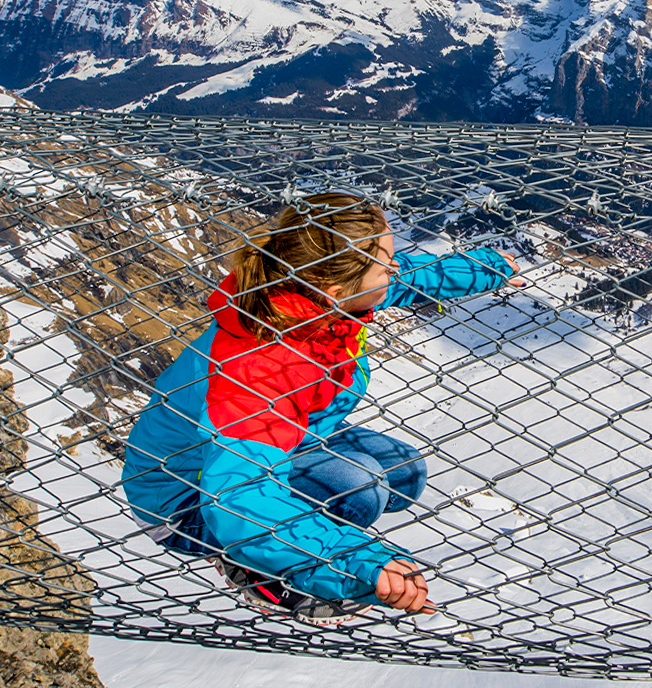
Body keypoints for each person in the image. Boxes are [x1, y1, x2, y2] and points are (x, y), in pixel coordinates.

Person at [121, 192, 522, 623]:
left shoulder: (309, 297)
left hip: (260, 448)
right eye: (386, 262)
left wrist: (487, 267)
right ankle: (261, 571)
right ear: (336, 292)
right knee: (361, 486)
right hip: (187, 499)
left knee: (404, 471)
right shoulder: (263, 367)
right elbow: (237, 496)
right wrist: (356, 560)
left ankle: (297, 530)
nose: (394, 268)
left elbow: (407, 279)